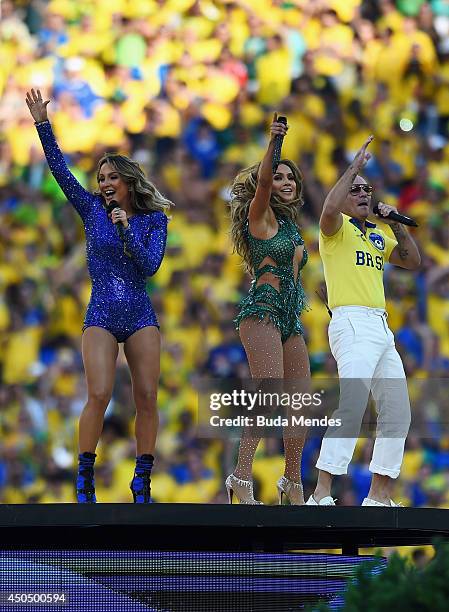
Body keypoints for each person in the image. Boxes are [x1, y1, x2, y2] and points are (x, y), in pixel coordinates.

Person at [26, 88, 172, 504]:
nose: (104, 183)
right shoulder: (90, 209)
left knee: (146, 396)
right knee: (99, 394)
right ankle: (84, 477)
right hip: (102, 313)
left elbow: (149, 267)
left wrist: (126, 229)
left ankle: (142, 478)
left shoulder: (153, 220)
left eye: (112, 177)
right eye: (101, 178)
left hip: (141, 314)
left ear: (128, 182)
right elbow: (59, 171)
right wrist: (42, 124)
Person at [307, 135, 420, 507]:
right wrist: (354, 167)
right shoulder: (335, 229)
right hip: (351, 321)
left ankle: (379, 496)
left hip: (381, 327)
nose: (361, 193)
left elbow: (411, 260)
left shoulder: (376, 233)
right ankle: (321, 492)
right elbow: (326, 209)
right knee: (353, 403)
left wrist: (396, 223)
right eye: (354, 189)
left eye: (365, 190)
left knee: (398, 412)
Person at [226, 114, 310, 505]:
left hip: (289, 319)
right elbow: (261, 182)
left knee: (301, 401)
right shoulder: (260, 218)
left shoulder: (293, 227)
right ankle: (241, 477)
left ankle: (292, 482)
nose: (286, 182)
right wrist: (275, 143)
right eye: (279, 177)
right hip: (262, 313)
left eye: (291, 177)